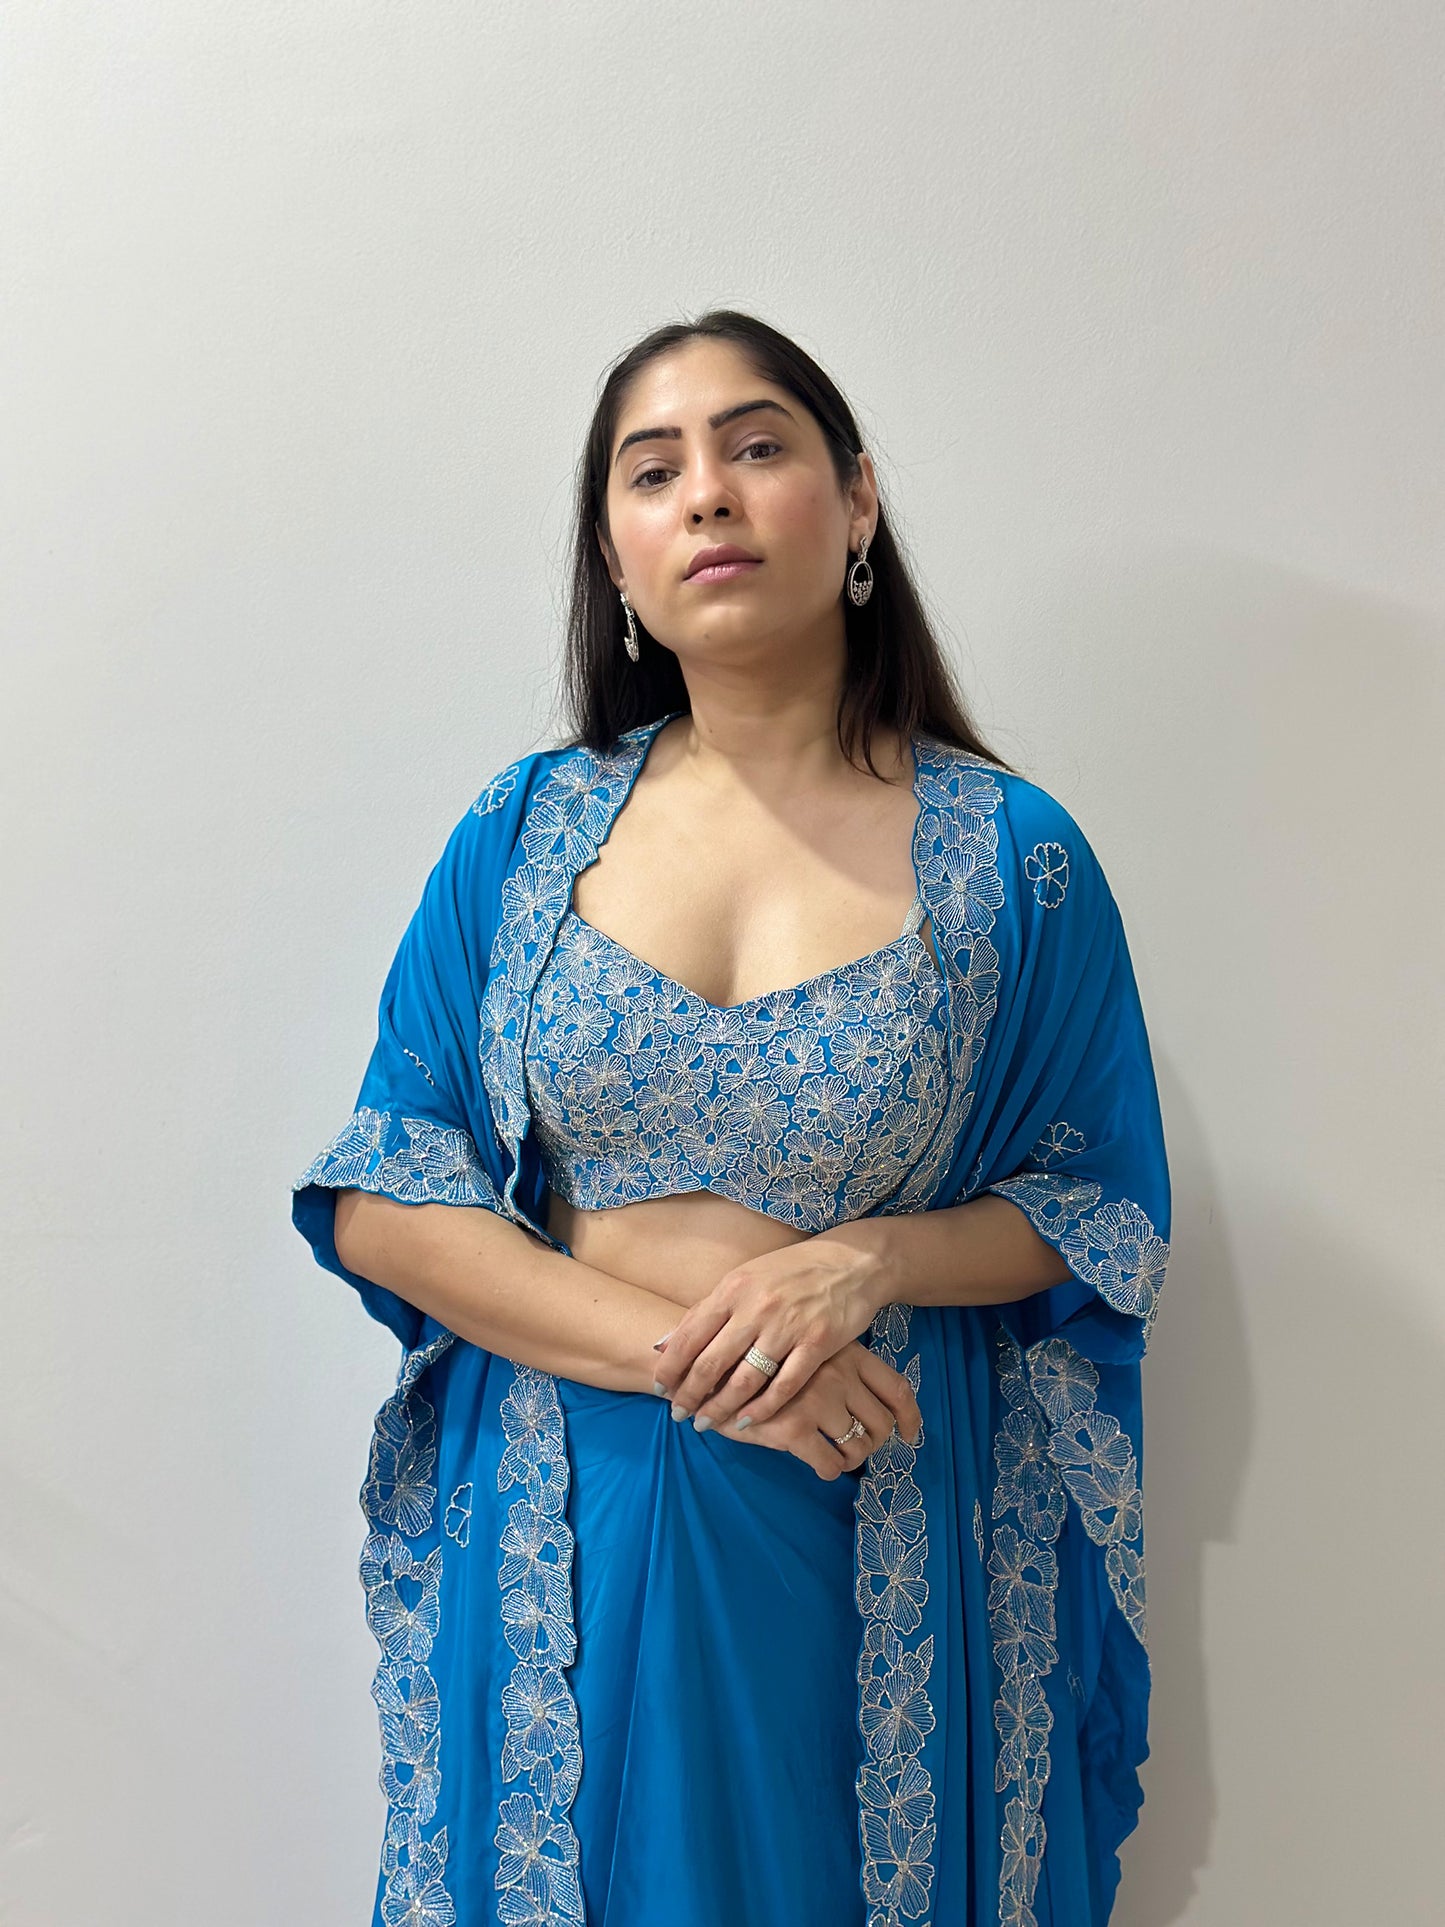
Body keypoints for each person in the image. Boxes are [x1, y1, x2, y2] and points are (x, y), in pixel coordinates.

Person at [291, 309, 1171, 1927]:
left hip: (867, 1510)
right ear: (614, 560)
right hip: (569, 1506)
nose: (706, 492)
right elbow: (387, 1198)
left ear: (856, 502)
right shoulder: (519, 837)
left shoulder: (1014, 857)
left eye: (756, 447)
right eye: (652, 471)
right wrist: (697, 1363)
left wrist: (869, 1262)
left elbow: (1093, 1207)